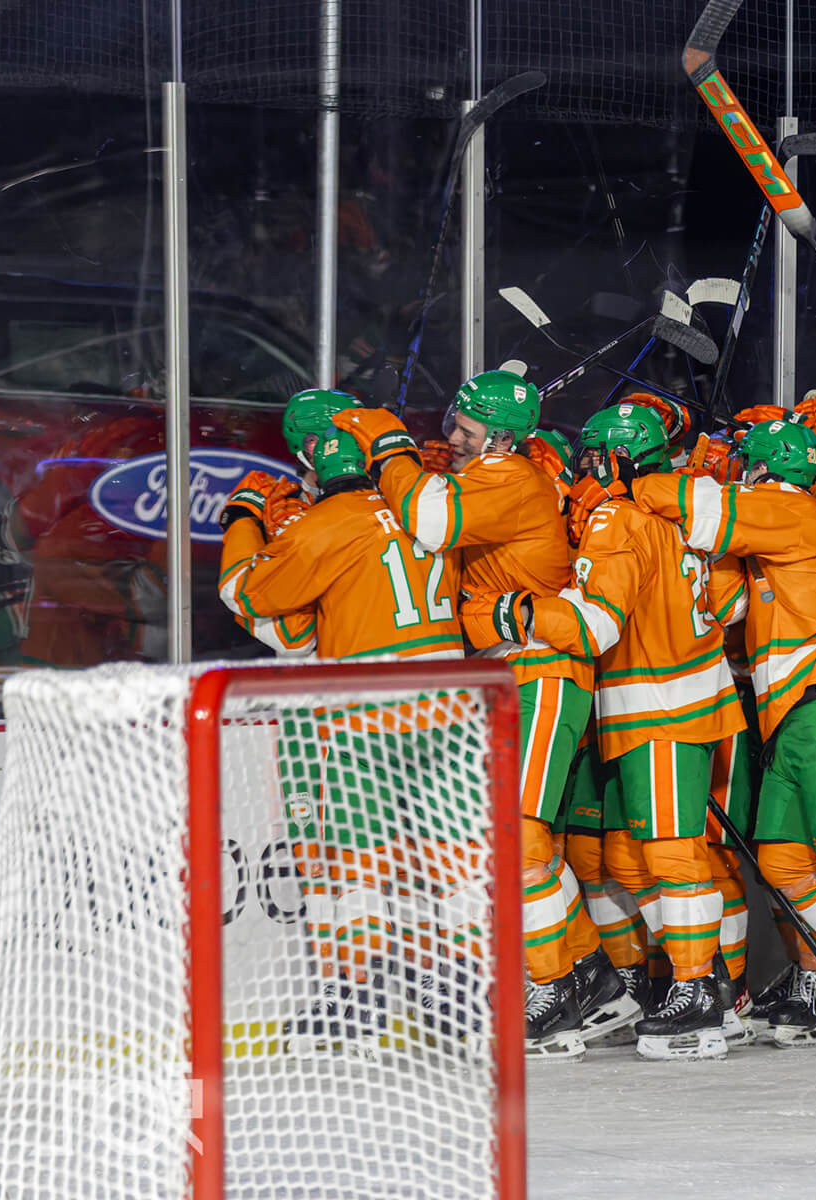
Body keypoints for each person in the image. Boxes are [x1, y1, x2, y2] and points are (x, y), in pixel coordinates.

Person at [330, 370, 631, 1059]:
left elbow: (432, 520)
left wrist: (388, 450)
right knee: (526, 846)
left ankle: (551, 994)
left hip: (541, 671)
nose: (451, 438)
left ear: (497, 435)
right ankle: (593, 977)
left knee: (517, 842)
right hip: (510, 673)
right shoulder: (496, 470)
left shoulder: (509, 475)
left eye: (463, 429)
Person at [620, 418, 816, 1062]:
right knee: (784, 860)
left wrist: (642, 476)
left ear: (760, 471)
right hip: (795, 712)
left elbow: (688, 506)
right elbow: (725, 607)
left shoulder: (787, 509)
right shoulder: (773, 532)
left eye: (741, 464)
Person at [504, 402, 748, 1060]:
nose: (587, 467)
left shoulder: (618, 515)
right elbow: (730, 603)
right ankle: (709, 985)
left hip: (658, 703)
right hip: (685, 696)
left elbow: (593, 629)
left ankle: (697, 990)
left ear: (618, 456)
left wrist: (515, 611)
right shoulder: (677, 510)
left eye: (593, 455)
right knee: (642, 858)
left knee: (671, 856)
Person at [218, 427, 468, 1058]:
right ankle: (448, 988)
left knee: (352, 864)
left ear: (310, 462)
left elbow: (255, 602)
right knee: (433, 860)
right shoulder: (427, 503)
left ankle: (353, 993)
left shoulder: (321, 526)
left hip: (364, 717)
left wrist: (247, 520)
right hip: (448, 711)